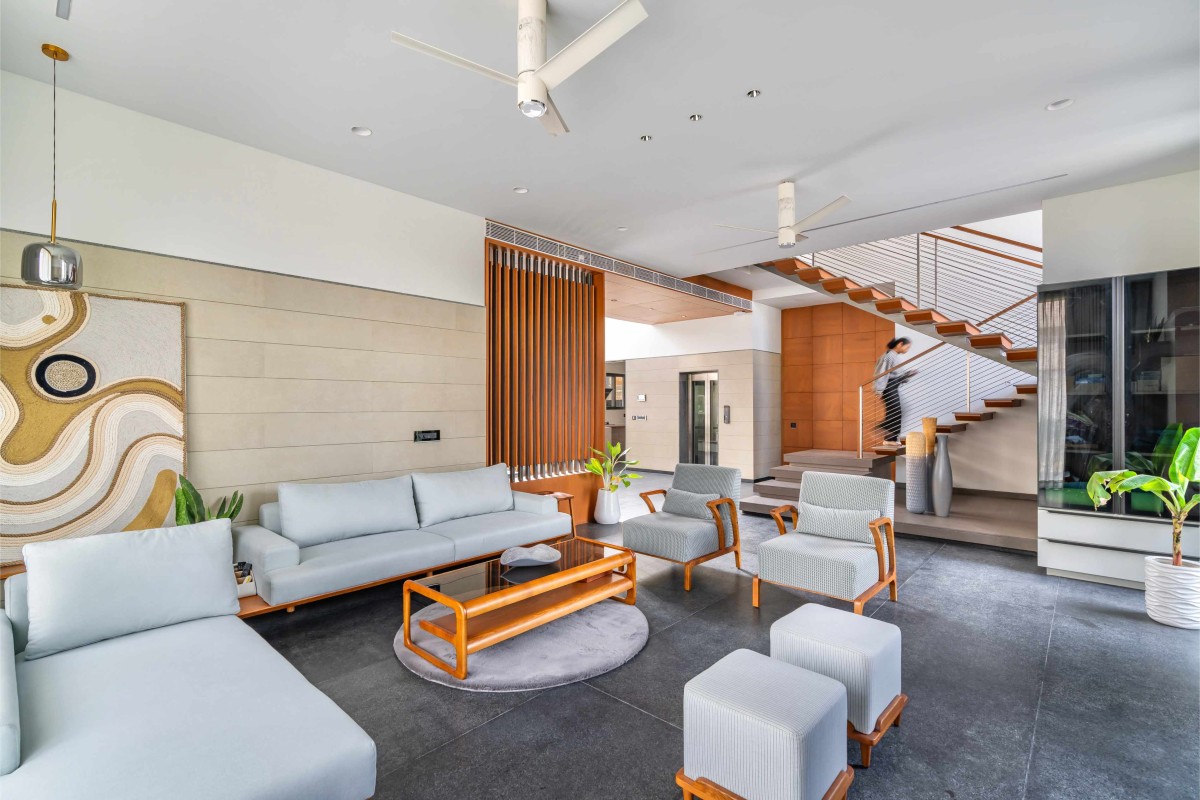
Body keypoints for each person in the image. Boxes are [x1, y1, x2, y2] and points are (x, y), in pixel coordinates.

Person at [873, 337, 916, 444]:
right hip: (888, 387)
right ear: (900, 344)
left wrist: (907, 375)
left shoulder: (894, 356)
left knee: (894, 411)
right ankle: (881, 428)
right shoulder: (889, 356)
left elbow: (895, 375)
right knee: (896, 411)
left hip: (893, 386)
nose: (907, 349)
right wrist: (879, 390)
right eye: (907, 347)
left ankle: (889, 439)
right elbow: (881, 373)